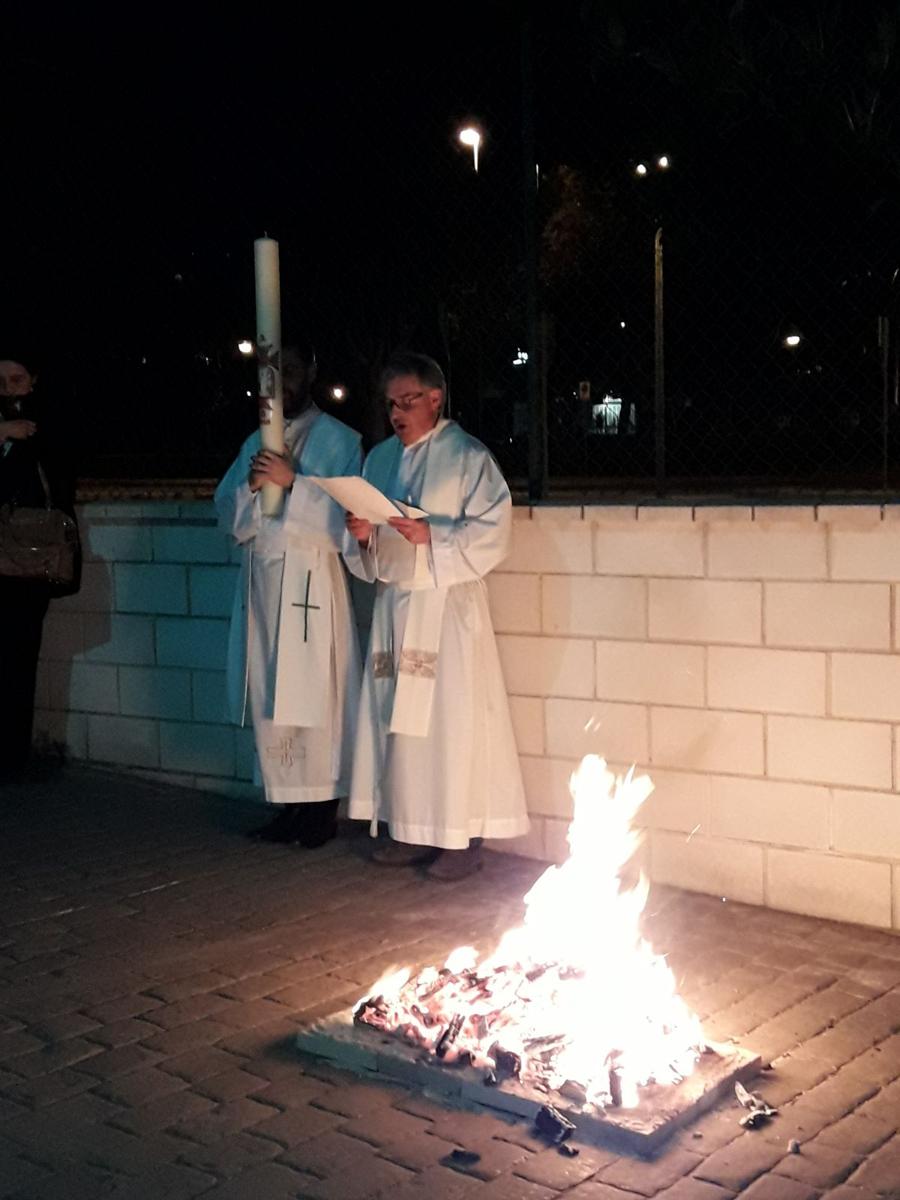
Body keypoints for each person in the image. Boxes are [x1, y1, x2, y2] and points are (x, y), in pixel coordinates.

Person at [344, 351, 529, 881]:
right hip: (396, 606)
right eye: (390, 404)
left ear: (434, 398)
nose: (397, 413)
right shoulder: (378, 458)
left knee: (450, 723)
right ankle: (408, 829)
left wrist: (434, 536)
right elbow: (366, 551)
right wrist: (362, 538)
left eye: (407, 401)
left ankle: (461, 840)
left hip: (447, 609)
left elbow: (495, 532)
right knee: (397, 725)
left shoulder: (467, 456)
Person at [215, 341, 362, 846]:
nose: (282, 383)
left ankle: (321, 808)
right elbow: (227, 514)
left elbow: (345, 518)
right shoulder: (252, 440)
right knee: (271, 696)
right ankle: (286, 805)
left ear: (313, 371)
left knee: (314, 694)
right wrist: (252, 491)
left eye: (292, 371)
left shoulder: (339, 439)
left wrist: (292, 482)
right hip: (261, 585)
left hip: (309, 583)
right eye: (273, 374)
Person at [0, 352, 78, 779]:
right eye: (2, 381)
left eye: (17, 379)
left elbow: (56, 476)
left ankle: (13, 754)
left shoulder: (47, 422)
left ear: (33, 380)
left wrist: (17, 439)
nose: (9, 388)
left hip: (28, 561)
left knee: (20, 656)